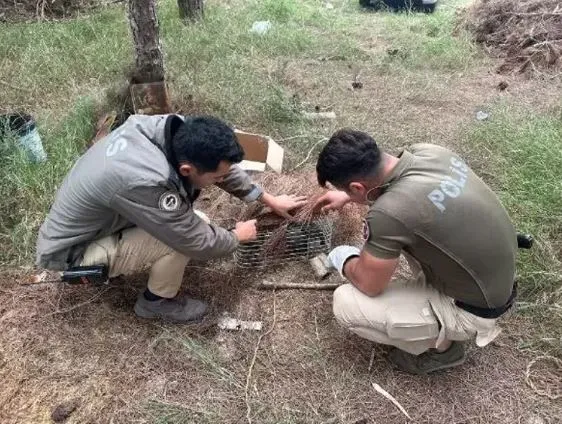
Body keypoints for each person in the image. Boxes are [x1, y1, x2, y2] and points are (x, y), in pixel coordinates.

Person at [36, 114, 306, 322]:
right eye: (216, 179)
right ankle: (155, 303)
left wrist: (266, 198)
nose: (221, 181)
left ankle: (127, 265)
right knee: (182, 235)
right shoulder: (146, 180)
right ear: (187, 169)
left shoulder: (167, 129)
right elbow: (195, 241)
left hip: (94, 227)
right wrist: (237, 236)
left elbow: (221, 167)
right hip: (72, 254)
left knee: (193, 219)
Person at [314, 129, 518, 374]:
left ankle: (441, 349)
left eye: (349, 191)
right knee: (408, 234)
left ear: (358, 187)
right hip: (496, 276)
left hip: (477, 308)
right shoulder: (430, 152)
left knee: (345, 303)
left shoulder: (388, 214)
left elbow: (370, 284)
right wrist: (349, 197)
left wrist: (343, 257)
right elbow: (409, 194)